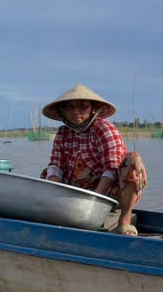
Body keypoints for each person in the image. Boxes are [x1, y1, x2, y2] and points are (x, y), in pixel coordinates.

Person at [40, 84, 147, 235]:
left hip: (107, 192)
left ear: (93, 109)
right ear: (61, 111)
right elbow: (56, 165)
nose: (75, 112)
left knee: (133, 160)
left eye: (82, 106)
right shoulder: (62, 133)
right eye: (68, 107)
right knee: (47, 173)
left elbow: (111, 168)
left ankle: (125, 220)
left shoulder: (104, 128)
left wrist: (94, 202)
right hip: (76, 191)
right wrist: (54, 194)